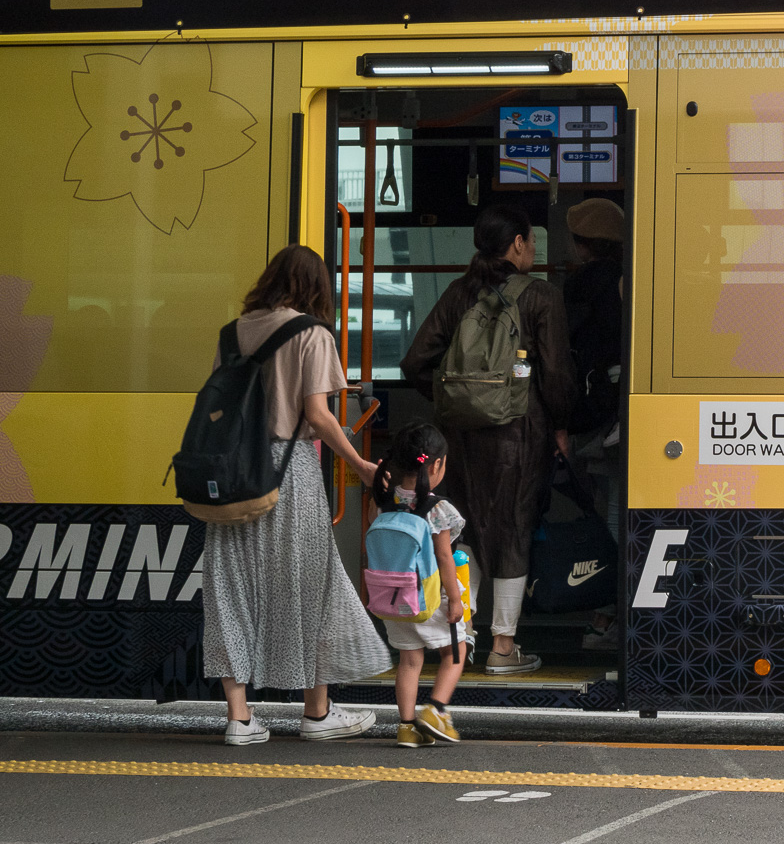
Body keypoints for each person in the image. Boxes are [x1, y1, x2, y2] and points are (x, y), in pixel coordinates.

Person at [203, 245, 388, 746]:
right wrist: (360, 464)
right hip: (292, 472)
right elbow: (320, 414)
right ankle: (316, 711)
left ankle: (239, 719)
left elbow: (216, 405)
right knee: (312, 585)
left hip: (235, 475)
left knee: (232, 591)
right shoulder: (312, 332)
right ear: (316, 287)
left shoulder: (233, 332)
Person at [401, 203, 574, 676]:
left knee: (465, 530)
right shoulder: (540, 297)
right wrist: (563, 423)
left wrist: (453, 398)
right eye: (531, 241)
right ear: (518, 243)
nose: (533, 250)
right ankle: (502, 647)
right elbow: (557, 375)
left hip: (460, 435)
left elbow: (416, 361)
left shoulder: (460, 293)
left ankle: (460, 637)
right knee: (513, 530)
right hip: (520, 432)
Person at [370, 423, 467, 746]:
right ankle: (436, 710)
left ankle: (407, 726)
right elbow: (444, 558)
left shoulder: (383, 500)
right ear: (436, 464)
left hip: (392, 597)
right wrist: (454, 599)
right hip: (430, 597)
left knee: (410, 661)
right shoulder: (437, 508)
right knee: (456, 651)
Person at [562, 198, 627, 652]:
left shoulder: (572, 290)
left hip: (585, 412)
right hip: (617, 411)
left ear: (583, 245)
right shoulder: (627, 283)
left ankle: (604, 613)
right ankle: (611, 613)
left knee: (606, 508)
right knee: (618, 511)